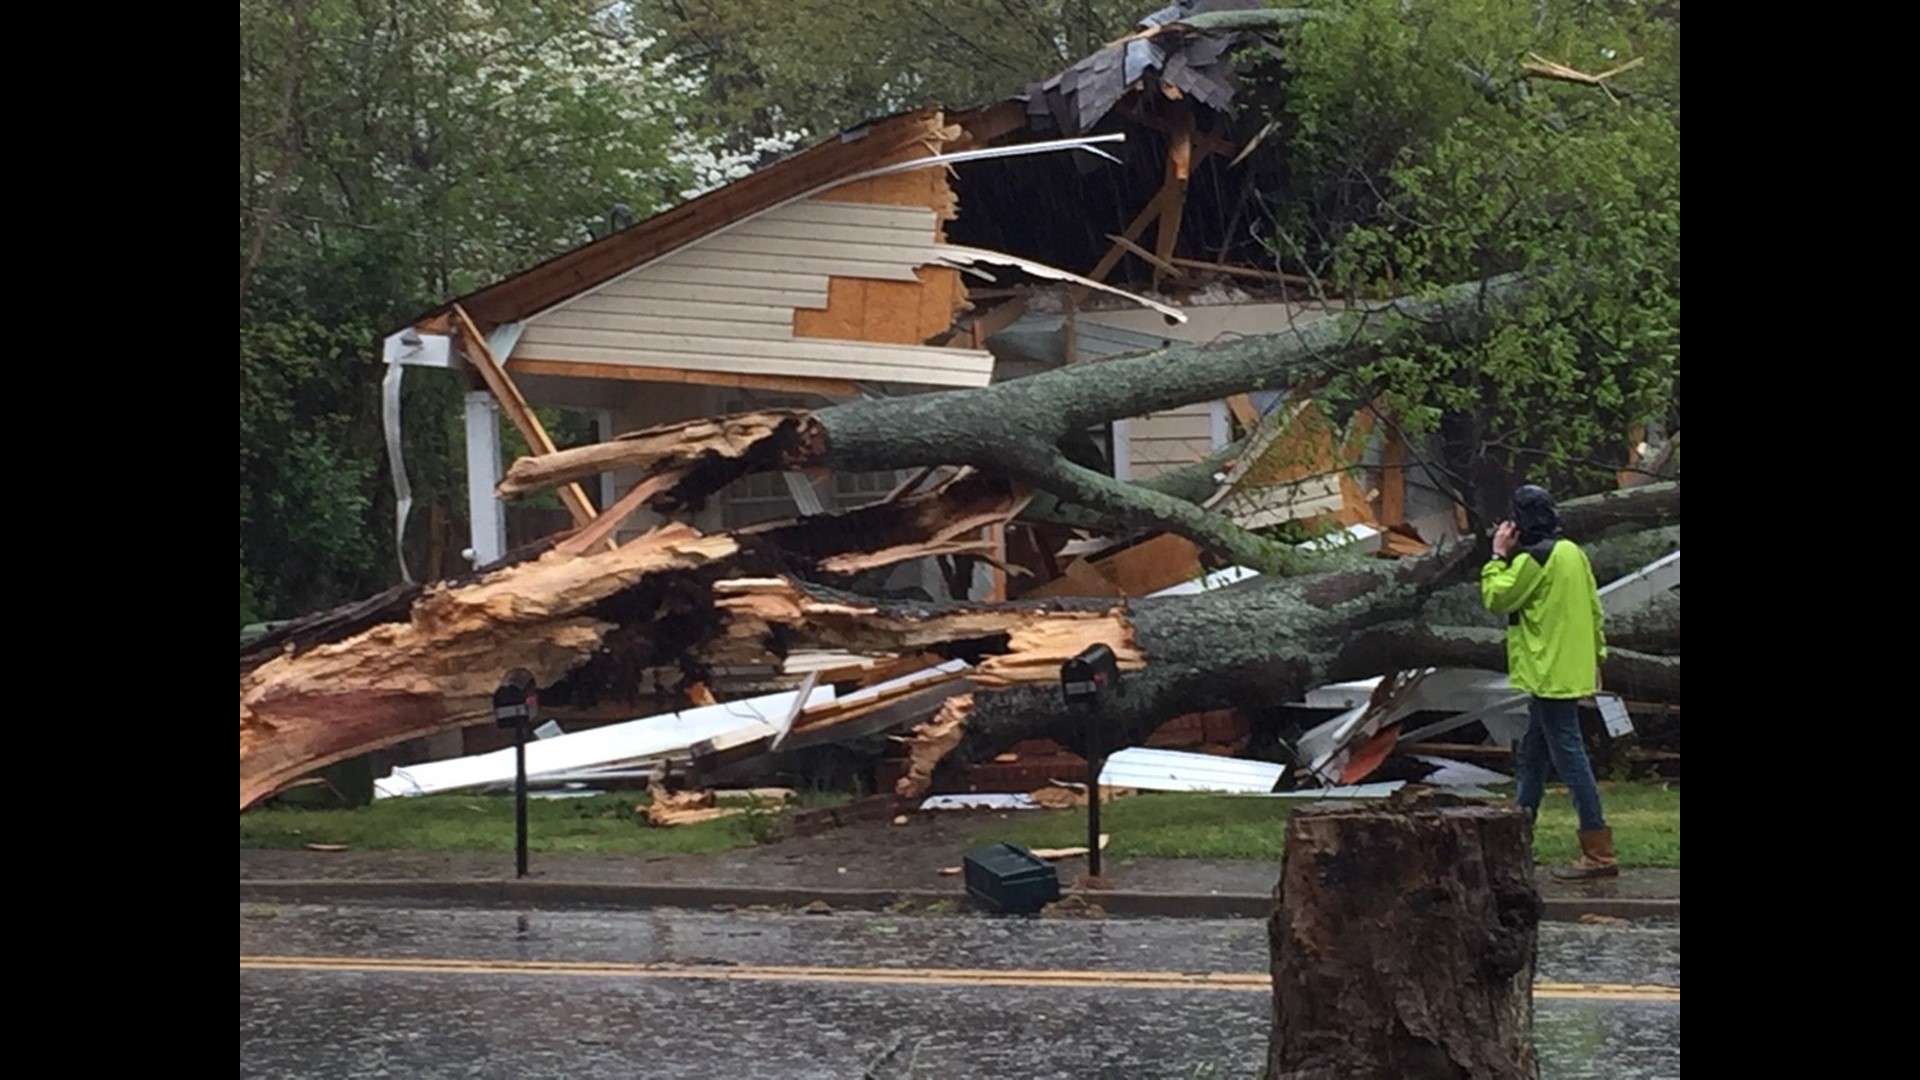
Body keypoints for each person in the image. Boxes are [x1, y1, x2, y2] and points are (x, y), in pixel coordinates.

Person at [1481, 484, 1617, 879]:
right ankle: (1517, 838)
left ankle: (1599, 852)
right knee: (1533, 755)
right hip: (1568, 667)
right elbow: (1594, 608)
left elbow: (1497, 597)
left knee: (1570, 758)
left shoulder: (1534, 558)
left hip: (1547, 671)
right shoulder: (1572, 552)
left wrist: (1497, 555)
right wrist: (1597, 656)